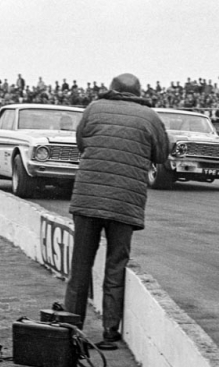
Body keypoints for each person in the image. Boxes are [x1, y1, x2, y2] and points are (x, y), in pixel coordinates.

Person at [64, 73, 169, 350]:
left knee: (80, 265)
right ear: (138, 92)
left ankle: (71, 328)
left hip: (88, 199)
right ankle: (110, 333)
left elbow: (81, 143)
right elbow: (161, 155)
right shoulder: (149, 116)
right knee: (116, 265)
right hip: (125, 202)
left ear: (111, 90)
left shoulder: (93, 108)